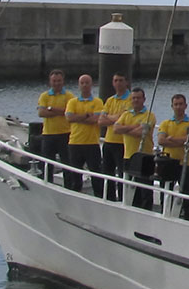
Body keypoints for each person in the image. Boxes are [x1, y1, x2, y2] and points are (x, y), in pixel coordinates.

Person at [155, 93, 189, 218]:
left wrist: (172, 139)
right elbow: (161, 141)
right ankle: (166, 214)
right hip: (168, 162)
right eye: (176, 104)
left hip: (185, 163)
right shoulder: (165, 123)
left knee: (188, 193)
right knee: (166, 192)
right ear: (172, 106)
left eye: (180, 104)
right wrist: (180, 141)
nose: (178, 107)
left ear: (185, 106)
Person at [116, 87, 157, 210]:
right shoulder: (126, 114)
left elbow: (141, 132)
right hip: (128, 156)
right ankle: (132, 209)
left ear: (143, 99)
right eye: (133, 98)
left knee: (145, 190)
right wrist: (133, 126)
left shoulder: (149, 115)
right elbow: (116, 129)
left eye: (138, 98)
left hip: (145, 157)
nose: (135, 100)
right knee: (129, 187)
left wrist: (126, 128)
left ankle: (146, 212)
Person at [63, 74, 105, 193]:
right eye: (82, 83)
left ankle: (99, 196)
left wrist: (78, 117)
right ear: (79, 85)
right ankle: (75, 194)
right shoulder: (72, 102)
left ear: (91, 85)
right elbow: (69, 118)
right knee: (75, 174)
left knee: (96, 174)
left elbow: (96, 119)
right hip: (75, 142)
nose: (85, 85)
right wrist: (86, 115)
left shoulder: (97, 102)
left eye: (87, 83)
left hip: (91, 143)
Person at [98, 72, 132, 201]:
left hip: (122, 143)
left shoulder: (130, 100)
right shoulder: (110, 100)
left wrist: (110, 118)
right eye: (116, 80)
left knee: (123, 173)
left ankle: (124, 199)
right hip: (108, 141)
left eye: (121, 80)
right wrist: (115, 118)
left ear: (126, 82)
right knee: (108, 172)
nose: (118, 83)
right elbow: (101, 121)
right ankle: (109, 198)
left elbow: (123, 118)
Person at [34, 68, 72, 182]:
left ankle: (69, 186)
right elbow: (41, 113)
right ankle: (47, 183)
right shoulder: (44, 96)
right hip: (48, 134)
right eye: (54, 81)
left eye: (59, 81)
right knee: (47, 163)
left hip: (65, 134)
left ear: (63, 81)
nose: (57, 83)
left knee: (67, 163)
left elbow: (69, 113)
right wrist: (60, 111)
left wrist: (51, 109)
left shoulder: (69, 96)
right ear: (50, 82)